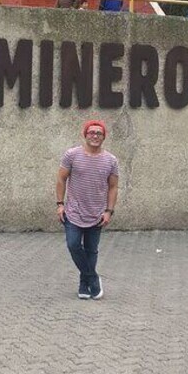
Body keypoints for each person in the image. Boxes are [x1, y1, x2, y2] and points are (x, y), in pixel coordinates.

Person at [55, 120, 119, 300]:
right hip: (73, 211)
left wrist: (109, 211)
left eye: (99, 133)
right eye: (92, 132)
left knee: (91, 250)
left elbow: (113, 187)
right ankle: (93, 277)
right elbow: (61, 179)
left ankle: (84, 284)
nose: (95, 136)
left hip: (97, 214)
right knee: (73, 244)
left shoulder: (111, 161)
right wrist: (60, 204)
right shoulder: (71, 155)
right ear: (85, 134)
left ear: (104, 137)